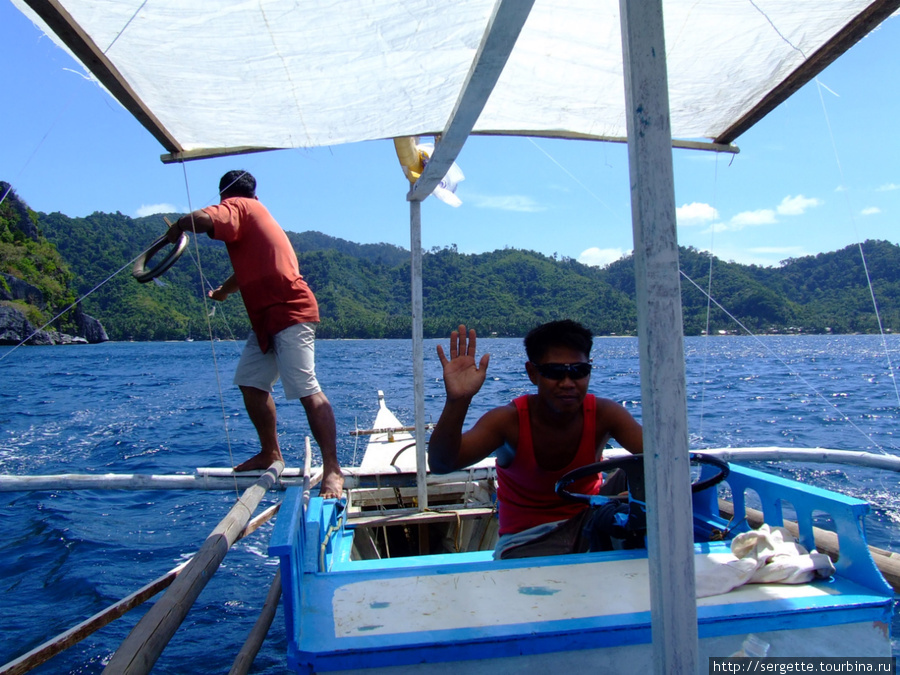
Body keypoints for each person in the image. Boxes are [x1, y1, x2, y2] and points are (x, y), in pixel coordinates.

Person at [167, 170, 343, 499]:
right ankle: (270, 452)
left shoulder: (239, 206)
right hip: (265, 318)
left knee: (306, 389)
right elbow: (246, 270)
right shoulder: (254, 214)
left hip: (290, 310)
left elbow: (200, 220)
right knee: (251, 383)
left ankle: (333, 469)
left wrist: (178, 227)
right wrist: (223, 291)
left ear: (225, 197)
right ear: (256, 193)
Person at [428, 320, 643, 558]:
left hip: (587, 524)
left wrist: (634, 495)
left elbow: (662, 458)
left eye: (579, 371)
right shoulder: (508, 422)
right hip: (529, 541)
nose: (568, 383)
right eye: (554, 372)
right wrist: (458, 400)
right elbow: (441, 464)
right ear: (532, 373)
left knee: (642, 470)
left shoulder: (605, 414)